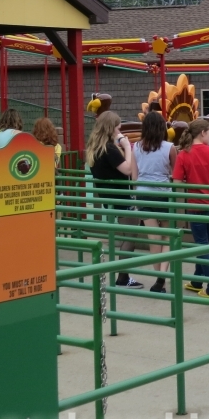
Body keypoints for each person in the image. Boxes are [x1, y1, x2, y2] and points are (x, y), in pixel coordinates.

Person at [172, 118, 209, 298]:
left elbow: (177, 181)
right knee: (203, 243)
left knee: (201, 245)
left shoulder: (183, 154)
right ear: (203, 133)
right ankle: (197, 281)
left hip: (195, 205)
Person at [86, 111, 142, 289]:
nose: (120, 131)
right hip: (121, 197)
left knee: (128, 234)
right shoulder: (109, 149)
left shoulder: (95, 147)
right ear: (111, 128)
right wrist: (127, 147)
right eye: (118, 127)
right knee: (131, 235)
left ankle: (123, 275)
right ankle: (123, 277)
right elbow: (127, 170)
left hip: (108, 196)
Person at [133, 111, 178, 293]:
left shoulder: (135, 146)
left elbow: (134, 176)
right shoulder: (170, 147)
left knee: (154, 238)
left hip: (143, 193)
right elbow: (175, 174)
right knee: (167, 236)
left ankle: (158, 277)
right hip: (164, 194)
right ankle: (163, 276)